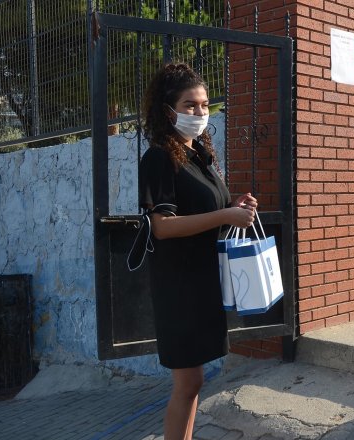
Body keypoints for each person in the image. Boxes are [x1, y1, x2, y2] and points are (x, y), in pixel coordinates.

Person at [138, 63, 258, 440]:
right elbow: (162, 226)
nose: (200, 113)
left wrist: (234, 208)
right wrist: (224, 213)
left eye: (205, 105)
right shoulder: (159, 158)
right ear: (167, 109)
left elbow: (208, 213)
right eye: (190, 105)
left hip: (203, 282)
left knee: (193, 381)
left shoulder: (200, 157)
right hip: (179, 286)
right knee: (187, 382)